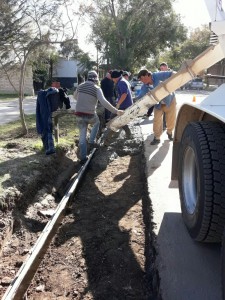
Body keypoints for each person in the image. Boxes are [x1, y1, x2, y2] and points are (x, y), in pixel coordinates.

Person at [74, 70, 124, 164]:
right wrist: (116, 111)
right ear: (96, 79)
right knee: (96, 122)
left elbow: (75, 96)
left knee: (82, 137)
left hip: (79, 114)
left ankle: (83, 158)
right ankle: (92, 141)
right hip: (90, 114)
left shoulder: (80, 86)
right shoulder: (96, 88)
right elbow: (104, 102)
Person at [137, 68, 176, 145]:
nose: (142, 81)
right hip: (158, 104)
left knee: (170, 119)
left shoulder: (157, 75)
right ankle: (157, 137)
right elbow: (140, 96)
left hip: (169, 100)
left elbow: (172, 73)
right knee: (157, 120)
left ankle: (170, 132)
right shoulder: (145, 86)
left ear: (146, 75)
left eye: (142, 79)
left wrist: (175, 79)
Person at [110, 69, 133, 137]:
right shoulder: (123, 80)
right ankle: (126, 133)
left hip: (124, 105)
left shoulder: (121, 82)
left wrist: (118, 104)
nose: (112, 80)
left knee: (114, 118)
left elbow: (124, 94)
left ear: (115, 77)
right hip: (126, 103)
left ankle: (112, 134)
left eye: (113, 79)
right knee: (120, 119)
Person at [159, 62, 170, 130]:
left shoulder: (170, 74)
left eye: (162, 68)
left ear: (166, 67)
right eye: (160, 69)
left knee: (167, 111)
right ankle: (163, 125)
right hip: (161, 95)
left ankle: (165, 125)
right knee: (161, 110)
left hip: (168, 95)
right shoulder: (159, 75)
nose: (161, 70)